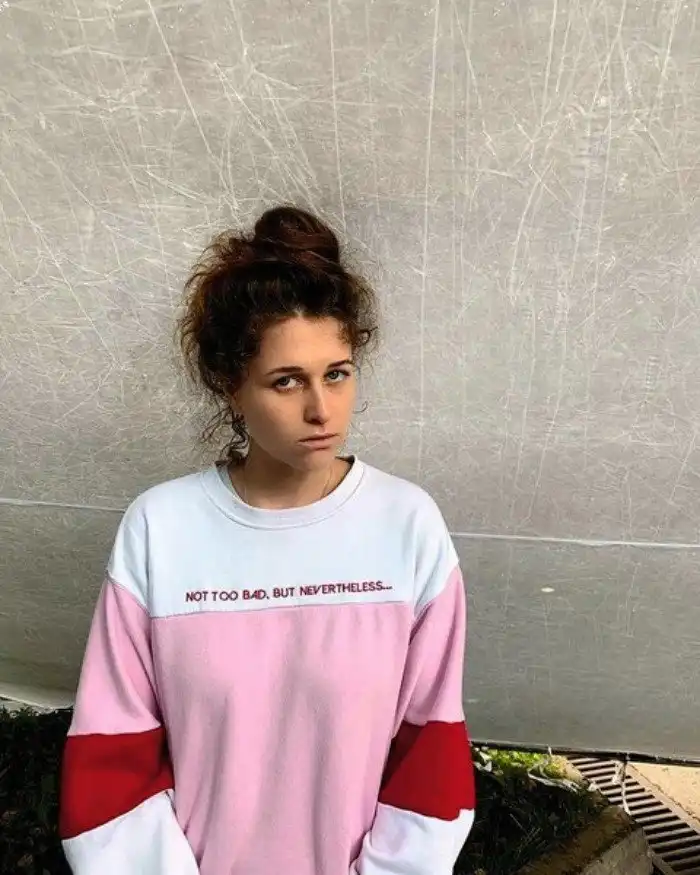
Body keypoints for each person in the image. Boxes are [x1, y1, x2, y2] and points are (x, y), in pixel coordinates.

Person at [58, 205, 476, 875]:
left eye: (337, 373)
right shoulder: (161, 528)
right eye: (287, 381)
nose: (321, 409)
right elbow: (111, 759)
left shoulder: (407, 525)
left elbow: (430, 756)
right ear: (232, 387)